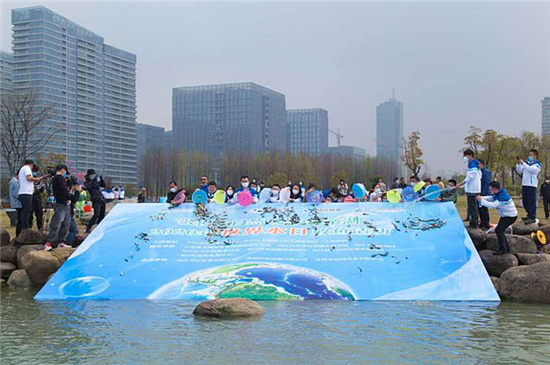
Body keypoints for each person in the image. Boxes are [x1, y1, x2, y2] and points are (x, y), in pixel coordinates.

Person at [477, 181, 518, 255]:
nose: (489, 191)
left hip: (510, 217)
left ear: (495, 189)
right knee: (499, 230)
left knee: (499, 231)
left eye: (490, 189)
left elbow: (492, 205)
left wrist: (481, 200)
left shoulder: (503, 197)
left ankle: (503, 250)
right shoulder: (499, 192)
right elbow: (491, 198)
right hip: (506, 216)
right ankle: (505, 248)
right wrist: (482, 197)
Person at [44, 165, 73, 251]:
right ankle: (49, 242)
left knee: (65, 224)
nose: (65, 175)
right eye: (65, 172)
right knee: (57, 223)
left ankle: (61, 242)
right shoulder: (59, 178)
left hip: (64, 203)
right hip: (61, 203)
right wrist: (69, 196)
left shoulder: (57, 178)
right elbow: (63, 190)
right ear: (63, 170)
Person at [17, 159, 44, 233]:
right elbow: (29, 178)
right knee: (27, 211)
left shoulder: (22, 169)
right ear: (31, 164)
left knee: (25, 211)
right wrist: (37, 179)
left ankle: (25, 227)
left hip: (23, 193)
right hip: (26, 193)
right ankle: (25, 227)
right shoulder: (26, 168)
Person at [516, 149, 541, 224]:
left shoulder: (537, 164)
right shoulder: (526, 163)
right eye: (529, 155)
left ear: (535, 156)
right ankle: (529, 215)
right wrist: (518, 164)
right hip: (524, 184)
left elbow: (531, 170)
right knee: (525, 202)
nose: (529, 156)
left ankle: (532, 217)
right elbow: (519, 171)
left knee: (531, 202)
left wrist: (523, 163)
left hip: (532, 185)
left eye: (531, 155)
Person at [458, 149, 481, 228]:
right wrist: (463, 185)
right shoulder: (471, 164)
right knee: (471, 208)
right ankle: (472, 222)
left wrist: (460, 184)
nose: (464, 157)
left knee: (473, 208)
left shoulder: (473, 165)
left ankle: (474, 224)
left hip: (473, 190)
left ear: (470, 155)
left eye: (466, 155)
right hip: (471, 189)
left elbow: (469, 178)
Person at [84, 169, 106, 233]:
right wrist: (93, 179)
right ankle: (88, 227)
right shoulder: (87, 182)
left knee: (102, 215)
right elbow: (87, 187)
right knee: (96, 214)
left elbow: (103, 185)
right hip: (95, 200)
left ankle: (99, 228)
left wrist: (101, 179)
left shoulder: (96, 182)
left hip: (101, 198)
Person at [66, 179, 81, 246]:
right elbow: (74, 199)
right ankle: (68, 243)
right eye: (75, 185)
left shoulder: (68, 192)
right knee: (74, 230)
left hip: (68, 214)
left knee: (75, 230)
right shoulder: (67, 192)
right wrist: (77, 191)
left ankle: (68, 242)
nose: (75, 187)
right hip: (67, 214)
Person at [478, 159, 492, 229]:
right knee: (480, 209)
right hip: (479, 193)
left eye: (478, 164)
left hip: (484, 194)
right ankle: (482, 222)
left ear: (482, 164)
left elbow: (487, 184)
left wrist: (483, 194)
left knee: (484, 209)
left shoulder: (486, 172)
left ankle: (485, 224)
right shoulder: (478, 172)